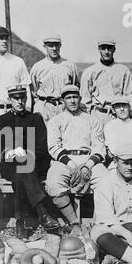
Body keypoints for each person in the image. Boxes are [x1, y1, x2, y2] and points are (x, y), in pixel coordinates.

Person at [0, 84, 66, 236]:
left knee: (22, 175)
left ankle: (20, 223)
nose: (19, 101)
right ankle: (43, 214)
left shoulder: (35, 119)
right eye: (15, 98)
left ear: (26, 99)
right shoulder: (1, 120)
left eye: (22, 98)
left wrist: (25, 155)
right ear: (9, 99)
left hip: (33, 166)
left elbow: (42, 149)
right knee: (20, 172)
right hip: (9, 167)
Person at [45, 85, 107, 229]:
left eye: (75, 97)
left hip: (89, 160)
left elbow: (99, 147)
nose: (72, 101)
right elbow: (53, 147)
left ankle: (99, 223)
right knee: (53, 183)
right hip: (64, 161)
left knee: (106, 182)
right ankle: (74, 222)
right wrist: (72, 165)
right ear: (63, 101)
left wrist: (87, 166)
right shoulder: (55, 121)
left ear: (79, 98)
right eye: (68, 98)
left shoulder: (92, 120)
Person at [80, 37, 132, 126]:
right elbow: (85, 98)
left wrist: (130, 117)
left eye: (109, 48)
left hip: (118, 115)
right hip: (97, 114)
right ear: (98, 49)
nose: (106, 51)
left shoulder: (123, 70)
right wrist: (86, 120)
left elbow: (128, 95)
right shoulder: (90, 71)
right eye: (103, 48)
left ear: (114, 49)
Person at [30, 34, 80, 123]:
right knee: (43, 135)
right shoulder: (37, 67)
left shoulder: (70, 66)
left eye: (56, 45)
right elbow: (34, 90)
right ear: (44, 46)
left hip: (63, 106)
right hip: (44, 107)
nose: (54, 48)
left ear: (60, 45)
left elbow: (76, 87)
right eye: (50, 45)